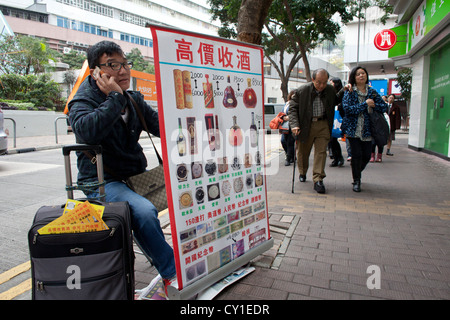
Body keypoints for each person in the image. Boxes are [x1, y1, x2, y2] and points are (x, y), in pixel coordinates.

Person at [68, 41, 177, 295]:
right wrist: (115, 97)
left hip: (137, 178)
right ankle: (173, 275)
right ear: (96, 71)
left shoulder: (133, 99)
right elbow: (86, 131)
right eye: (113, 65)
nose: (123, 71)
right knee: (144, 212)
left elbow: (163, 127)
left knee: (185, 194)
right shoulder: (82, 100)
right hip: (103, 180)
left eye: (125, 64)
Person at [288, 69, 338, 194]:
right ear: (313, 80)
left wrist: (345, 90)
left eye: (324, 83)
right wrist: (294, 125)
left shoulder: (330, 90)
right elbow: (292, 109)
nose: (321, 86)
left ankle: (318, 179)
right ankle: (302, 171)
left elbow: (336, 100)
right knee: (303, 153)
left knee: (321, 152)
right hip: (306, 125)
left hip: (323, 124)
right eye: (319, 83)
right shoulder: (302, 91)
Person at [342, 66, 387, 192]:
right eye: (358, 74)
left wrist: (374, 105)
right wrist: (364, 104)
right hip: (353, 129)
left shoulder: (372, 92)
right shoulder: (349, 91)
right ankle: (357, 180)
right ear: (354, 77)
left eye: (363, 73)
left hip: (368, 129)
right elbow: (348, 109)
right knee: (356, 155)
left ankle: (356, 171)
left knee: (367, 156)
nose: (361, 76)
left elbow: (383, 107)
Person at [328, 77, 345, 167]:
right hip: (330, 118)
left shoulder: (342, 93)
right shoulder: (330, 92)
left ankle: (339, 158)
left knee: (333, 139)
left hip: (337, 119)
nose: (330, 84)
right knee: (331, 141)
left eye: (331, 82)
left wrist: (338, 106)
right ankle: (336, 158)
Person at [281, 90, 295, 166]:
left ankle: (288, 158)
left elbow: (297, 114)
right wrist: (282, 117)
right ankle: (290, 155)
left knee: (290, 142)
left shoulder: (297, 104)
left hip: (292, 126)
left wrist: (289, 117)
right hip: (285, 125)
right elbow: (282, 112)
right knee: (283, 141)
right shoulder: (286, 103)